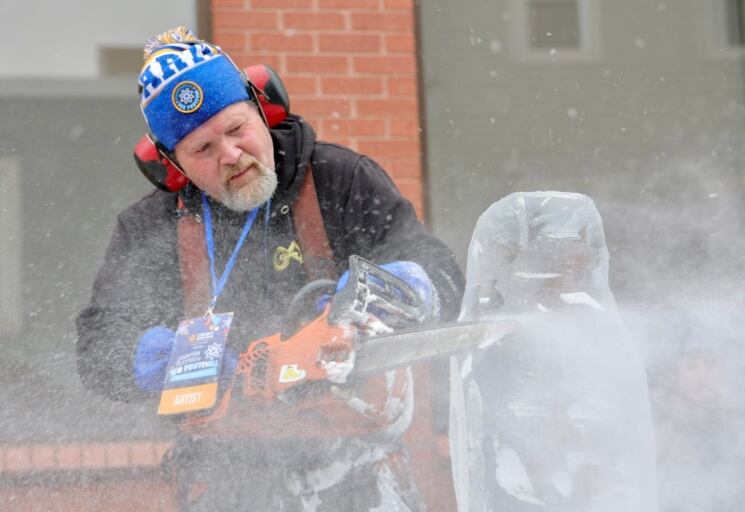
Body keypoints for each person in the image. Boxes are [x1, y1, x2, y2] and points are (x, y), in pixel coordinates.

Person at [76, 27, 464, 511]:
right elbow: (96, 349)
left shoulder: (340, 182)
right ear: (171, 164)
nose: (231, 155)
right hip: (224, 484)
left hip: (362, 477)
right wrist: (166, 357)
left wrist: (387, 290)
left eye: (236, 129)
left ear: (263, 107)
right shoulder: (149, 230)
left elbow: (441, 272)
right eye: (203, 149)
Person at [449, 192, 658, 512]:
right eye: (558, 259)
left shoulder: (601, 333)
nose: (572, 266)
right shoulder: (497, 342)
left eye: (578, 255)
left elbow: (625, 430)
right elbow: (500, 446)